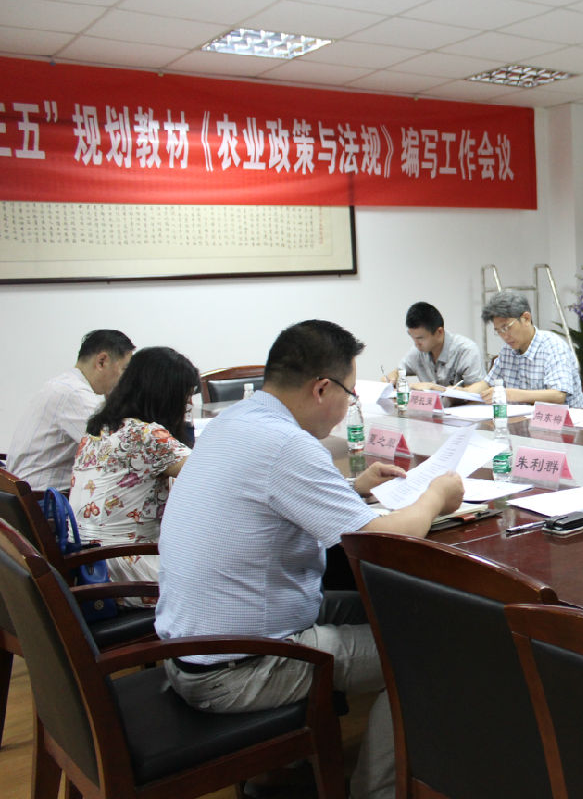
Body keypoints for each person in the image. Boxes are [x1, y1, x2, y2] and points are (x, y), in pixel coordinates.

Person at [155, 319, 464, 799]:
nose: (347, 408)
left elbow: (267, 498)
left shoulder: (236, 421)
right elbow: (384, 540)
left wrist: (351, 489)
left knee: (394, 612)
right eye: (349, 394)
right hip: (237, 669)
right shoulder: (286, 445)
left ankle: (295, 770)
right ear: (322, 388)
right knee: (423, 653)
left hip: (194, 646)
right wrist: (436, 495)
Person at [69, 347, 197, 588]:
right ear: (166, 395)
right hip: (125, 567)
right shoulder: (144, 435)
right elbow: (212, 473)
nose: (188, 404)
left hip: (88, 564)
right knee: (225, 579)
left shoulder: (100, 428)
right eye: (186, 396)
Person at [7, 330, 135, 491]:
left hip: (26, 491)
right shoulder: (74, 393)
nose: (124, 379)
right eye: (124, 369)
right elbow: (115, 452)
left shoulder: (63, 384)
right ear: (102, 361)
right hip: (44, 498)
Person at [465, 291, 583, 408]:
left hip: (566, 420)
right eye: (499, 331)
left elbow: (558, 395)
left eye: (506, 328)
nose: (504, 336)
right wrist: (462, 392)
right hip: (524, 419)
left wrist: (509, 394)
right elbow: (487, 383)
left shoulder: (553, 346)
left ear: (526, 318)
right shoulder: (507, 350)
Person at [384, 301, 486, 391]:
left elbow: (476, 396)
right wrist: (393, 376)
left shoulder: (466, 351)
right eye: (412, 337)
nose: (416, 343)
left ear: (439, 332)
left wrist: (436, 389)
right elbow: (398, 371)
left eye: (420, 338)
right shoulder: (418, 351)